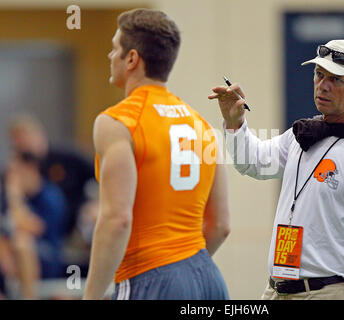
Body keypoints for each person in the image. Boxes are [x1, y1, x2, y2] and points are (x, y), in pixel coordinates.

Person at [209, 39, 344, 300]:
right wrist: (235, 122)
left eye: (336, 79)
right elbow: (251, 162)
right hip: (277, 290)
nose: (323, 85)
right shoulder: (302, 135)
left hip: (329, 293)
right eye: (319, 74)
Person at [83, 8, 230, 300]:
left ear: (132, 59)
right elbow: (222, 225)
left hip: (151, 275)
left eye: (114, 49)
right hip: (208, 278)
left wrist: (91, 296)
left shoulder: (117, 122)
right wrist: (187, 267)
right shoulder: (201, 123)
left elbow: (117, 220)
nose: (110, 57)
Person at [0, 150, 67, 299]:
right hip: (10, 257)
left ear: (31, 169)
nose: (11, 178)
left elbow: (33, 228)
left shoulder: (49, 195)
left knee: (21, 243)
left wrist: (14, 195)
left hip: (47, 256)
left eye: (16, 173)